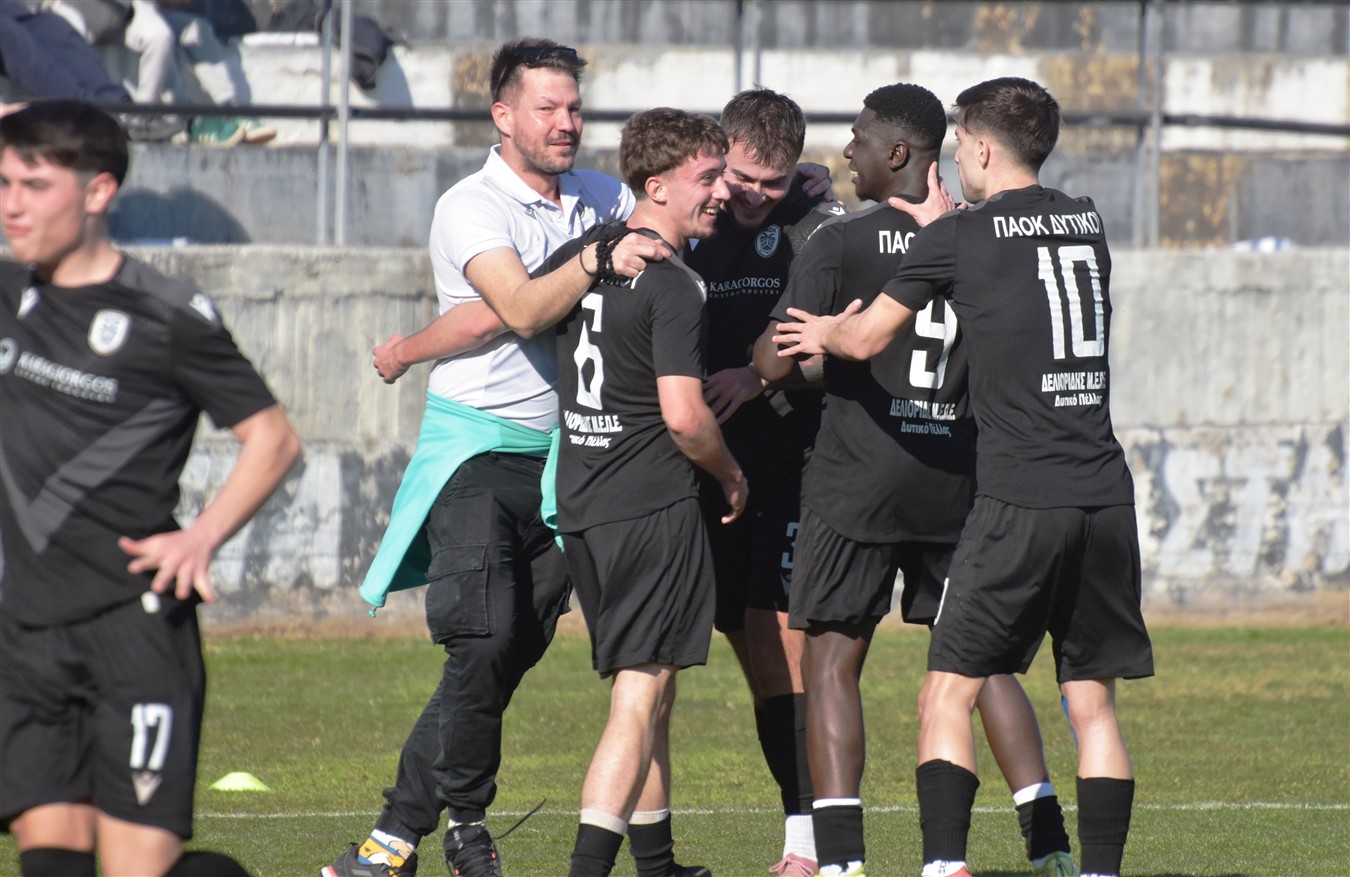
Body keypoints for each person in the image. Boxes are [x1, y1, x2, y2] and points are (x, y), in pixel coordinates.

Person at [773, 76, 1153, 877]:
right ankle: (1091, 867)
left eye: (960, 145)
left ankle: (943, 865)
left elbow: (865, 341)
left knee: (945, 691)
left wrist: (827, 330)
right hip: (1106, 492)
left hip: (1018, 495)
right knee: (1093, 705)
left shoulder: (959, 237)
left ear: (979, 148)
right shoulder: (1087, 222)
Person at [323, 38, 664, 877]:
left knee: (503, 657)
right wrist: (597, 256)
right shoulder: (470, 204)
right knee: (480, 639)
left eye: (574, 107)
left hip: (566, 461)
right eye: (547, 107)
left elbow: (661, 236)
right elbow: (514, 308)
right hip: (477, 448)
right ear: (502, 115)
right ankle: (467, 825)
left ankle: (390, 840)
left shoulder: (603, 195)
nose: (566, 122)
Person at [0, 99, 300, 877]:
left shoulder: (169, 315)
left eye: (34, 185)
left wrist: (201, 536)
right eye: (4, 183)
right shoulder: (8, 292)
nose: (12, 204)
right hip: (26, 634)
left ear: (98, 191)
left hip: (132, 632)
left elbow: (273, 438)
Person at [532, 106, 745, 877]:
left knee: (653, 690)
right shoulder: (675, 282)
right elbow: (684, 415)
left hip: (585, 505)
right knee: (639, 692)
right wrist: (730, 472)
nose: (722, 191)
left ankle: (657, 865)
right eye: (708, 176)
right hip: (650, 506)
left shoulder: (586, 253)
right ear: (656, 185)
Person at [680, 86, 842, 877]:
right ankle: (806, 813)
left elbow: (844, 341)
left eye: (772, 183)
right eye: (741, 177)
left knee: (780, 643)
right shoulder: (693, 219)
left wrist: (758, 374)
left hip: (792, 464)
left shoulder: (819, 227)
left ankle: (808, 840)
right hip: (707, 469)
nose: (752, 195)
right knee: (744, 642)